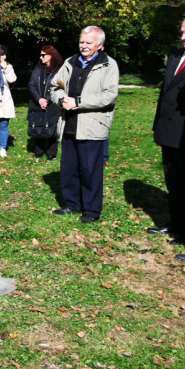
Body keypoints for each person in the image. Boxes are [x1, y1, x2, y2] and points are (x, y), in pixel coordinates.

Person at [50, 25, 119, 223]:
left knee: (90, 171)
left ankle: (91, 211)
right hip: (69, 124)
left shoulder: (109, 65)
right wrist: (62, 99)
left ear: (100, 45)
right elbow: (55, 86)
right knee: (69, 169)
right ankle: (72, 204)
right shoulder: (70, 62)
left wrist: (78, 103)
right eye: (81, 41)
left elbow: (109, 96)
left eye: (89, 43)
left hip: (92, 126)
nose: (84, 46)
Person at [149, 17, 185, 249]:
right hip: (169, 131)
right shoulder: (175, 56)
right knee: (173, 181)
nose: (182, 36)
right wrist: (157, 126)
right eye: (181, 31)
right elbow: (165, 95)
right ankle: (177, 225)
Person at [27, 45, 64, 160]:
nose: (40, 57)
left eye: (43, 55)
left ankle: (51, 153)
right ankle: (38, 152)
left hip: (52, 104)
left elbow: (59, 87)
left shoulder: (59, 70)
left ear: (50, 56)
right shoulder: (38, 68)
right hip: (37, 103)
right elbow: (31, 84)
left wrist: (47, 99)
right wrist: (39, 99)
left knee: (52, 128)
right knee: (38, 126)